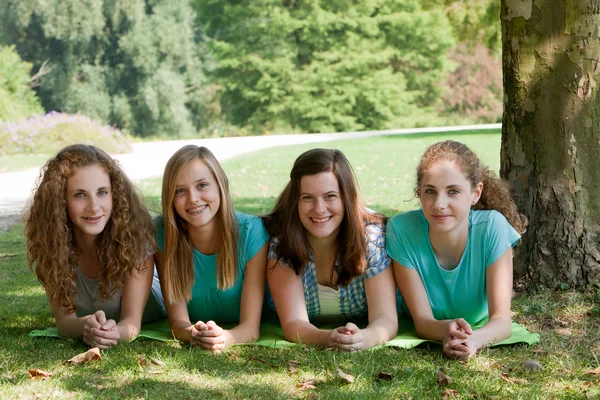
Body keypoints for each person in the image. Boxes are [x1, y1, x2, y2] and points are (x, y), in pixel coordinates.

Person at [386, 140, 528, 358]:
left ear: (476, 192)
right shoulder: (401, 229)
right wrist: (446, 331)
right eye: (430, 191)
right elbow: (423, 322)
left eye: (453, 191)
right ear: (419, 192)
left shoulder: (492, 227)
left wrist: (474, 341)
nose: (439, 204)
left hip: (476, 328)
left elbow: (501, 321)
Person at [25, 144, 165, 349]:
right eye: (80, 195)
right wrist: (86, 327)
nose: (94, 207)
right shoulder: (52, 245)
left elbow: (132, 324)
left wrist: (112, 334)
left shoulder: (134, 238)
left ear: (115, 195)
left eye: (102, 192)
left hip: (152, 306)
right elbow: (65, 323)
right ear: (60, 201)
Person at [263, 148, 397, 351]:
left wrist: (363, 338)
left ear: (346, 197)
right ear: (295, 201)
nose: (319, 209)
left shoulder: (371, 237)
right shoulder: (283, 239)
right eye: (308, 197)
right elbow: (293, 324)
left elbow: (385, 319)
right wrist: (328, 338)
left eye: (330, 196)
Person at [155, 145, 269, 352]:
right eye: (180, 191)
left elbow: (251, 328)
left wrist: (225, 338)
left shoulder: (251, 231)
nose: (193, 199)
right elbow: (178, 323)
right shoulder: (163, 233)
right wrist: (195, 334)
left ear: (220, 185)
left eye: (202, 185)